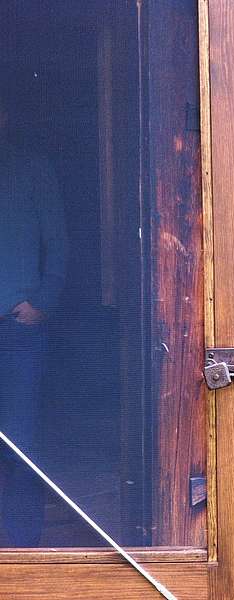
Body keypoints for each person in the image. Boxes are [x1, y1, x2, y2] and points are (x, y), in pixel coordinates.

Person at [0, 93, 68, 546]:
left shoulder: (31, 167)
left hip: (16, 328)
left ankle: (23, 547)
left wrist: (42, 301)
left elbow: (58, 243)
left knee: (18, 440)